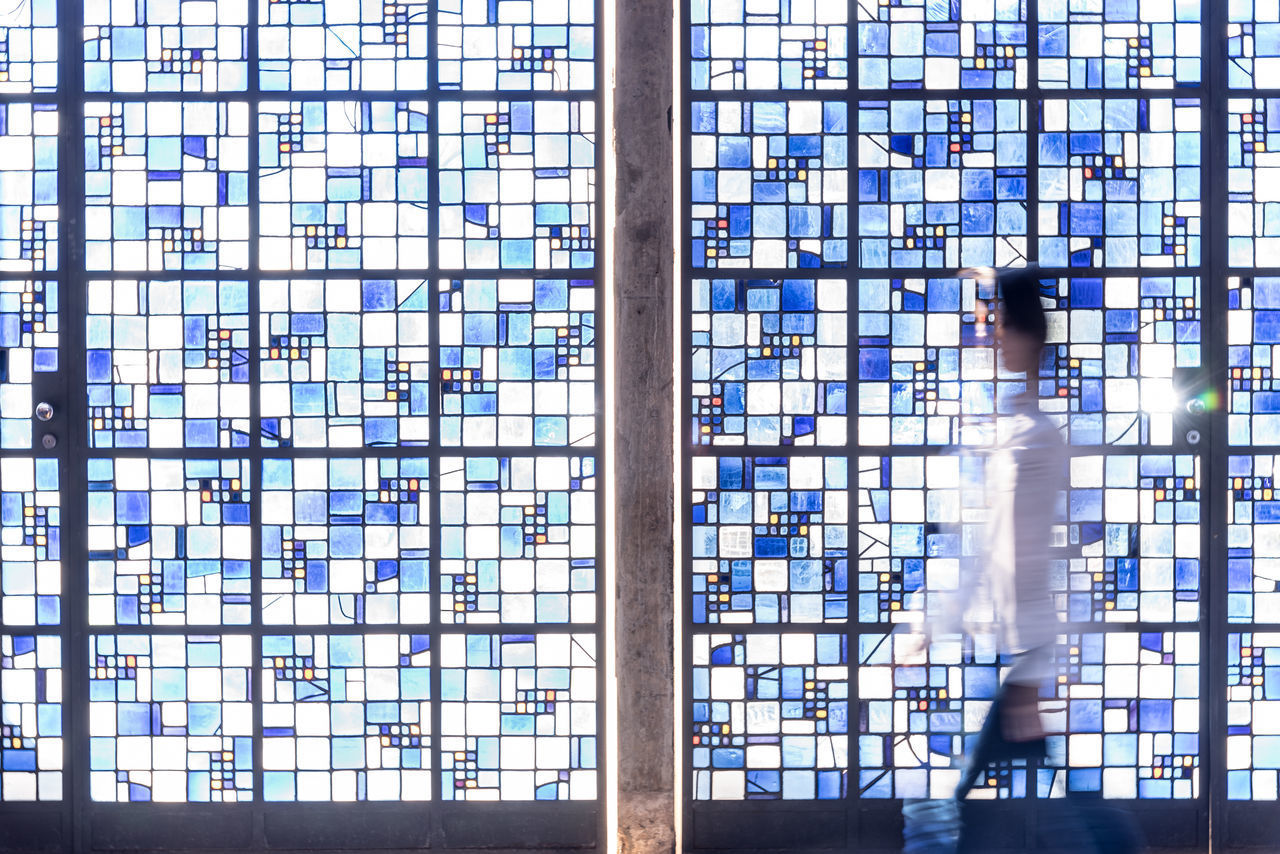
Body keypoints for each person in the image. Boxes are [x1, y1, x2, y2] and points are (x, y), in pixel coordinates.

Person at [902, 267, 1066, 853]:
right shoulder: (1017, 429)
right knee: (1005, 812)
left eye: (999, 326)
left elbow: (1020, 551)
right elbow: (988, 548)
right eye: (989, 326)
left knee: (978, 817)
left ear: (1028, 338)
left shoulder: (1035, 438)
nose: (992, 337)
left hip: (1024, 648)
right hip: (1020, 647)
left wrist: (1028, 670)